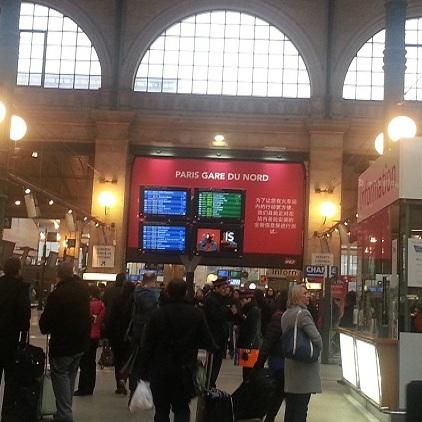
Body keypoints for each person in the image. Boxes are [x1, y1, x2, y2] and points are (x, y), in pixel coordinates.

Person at [138, 278, 217, 422]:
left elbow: (147, 345)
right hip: (185, 370)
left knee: (161, 410)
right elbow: (208, 342)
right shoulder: (196, 314)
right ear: (186, 292)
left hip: (160, 369)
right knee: (182, 408)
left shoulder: (158, 314)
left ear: (168, 292)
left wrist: (143, 372)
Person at [39, 263, 91, 422]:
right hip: (80, 344)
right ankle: (64, 411)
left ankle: (64, 415)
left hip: (62, 345)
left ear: (58, 274)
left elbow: (45, 323)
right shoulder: (83, 290)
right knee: (70, 378)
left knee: (61, 378)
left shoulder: (58, 294)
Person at [281, 284, 322, 422]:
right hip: (304, 368)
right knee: (301, 409)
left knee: (291, 407)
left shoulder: (286, 314)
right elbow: (316, 337)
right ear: (297, 296)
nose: (308, 295)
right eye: (305, 293)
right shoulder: (303, 314)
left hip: (291, 365)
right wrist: (319, 348)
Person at [0, 257, 31, 417]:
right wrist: (24, 331)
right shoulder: (21, 287)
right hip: (11, 339)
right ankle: (7, 414)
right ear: (18, 269)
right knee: (11, 379)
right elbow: (24, 312)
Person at [254, 290, 288, 422]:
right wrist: (260, 361)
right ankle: (269, 417)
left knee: (280, 392)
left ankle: (270, 417)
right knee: (279, 392)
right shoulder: (279, 317)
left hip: (283, 359)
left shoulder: (289, 316)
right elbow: (268, 341)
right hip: (279, 360)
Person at [128, 271, 159, 396]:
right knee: (144, 363)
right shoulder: (150, 296)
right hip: (145, 333)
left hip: (136, 331)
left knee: (135, 361)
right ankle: (140, 390)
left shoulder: (136, 293)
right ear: (153, 281)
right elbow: (153, 315)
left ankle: (133, 387)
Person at [204, 277, 237, 388]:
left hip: (221, 336)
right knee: (212, 363)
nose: (225, 290)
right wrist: (227, 310)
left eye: (226, 288)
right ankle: (209, 384)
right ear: (216, 288)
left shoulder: (223, 299)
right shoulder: (211, 299)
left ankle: (211, 383)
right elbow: (214, 316)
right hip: (214, 336)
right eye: (223, 288)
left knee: (217, 363)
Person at [104, 280, 135, 395]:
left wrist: (107, 335)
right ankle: (126, 380)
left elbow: (111, 318)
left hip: (117, 335)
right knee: (129, 360)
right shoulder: (135, 302)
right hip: (131, 336)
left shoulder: (117, 300)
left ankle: (119, 383)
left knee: (118, 360)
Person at [74, 285, 105, 396]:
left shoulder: (89, 305)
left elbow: (84, 320)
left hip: (87, 335)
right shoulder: (102, 305)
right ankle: (90, 387)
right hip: (96, 335)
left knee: (84, 363)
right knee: (92, 362)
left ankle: (83, 388)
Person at [236, 289, 262, 381]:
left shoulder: (253, 311)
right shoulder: (249, 310)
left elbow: (252, 330)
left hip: (250, 347)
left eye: (243, 300)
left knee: (248, 373)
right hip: (248, 345)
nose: (241, 303)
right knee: (246, 371)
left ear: (249, 299)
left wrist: (249, 347)